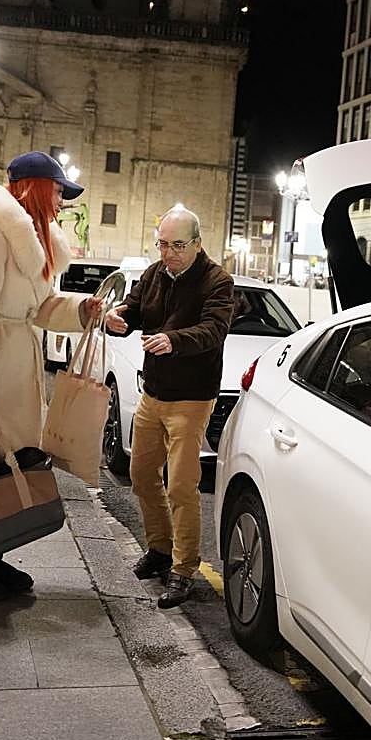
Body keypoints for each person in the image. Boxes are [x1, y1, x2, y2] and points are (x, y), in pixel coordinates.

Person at [0, 151, 102, 602]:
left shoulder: (33, 242)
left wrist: (82, 311)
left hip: (13, 371)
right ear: (34, 188)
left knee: (3, 472)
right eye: (58, 191)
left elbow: (41, 308)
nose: (61, 202)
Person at [104, 204, 234, 608]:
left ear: (197, 243)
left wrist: (174, 340)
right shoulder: (154, 273)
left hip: (192, 398)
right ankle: (159, 549)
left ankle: (183, 569)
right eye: (162, 244)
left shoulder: (217, 280)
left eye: (177, 245)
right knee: (141, 474)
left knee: (181, 484)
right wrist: (118, 315)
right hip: (153, 392)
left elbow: (214, 329)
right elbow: (137, 307)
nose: (168, 253)